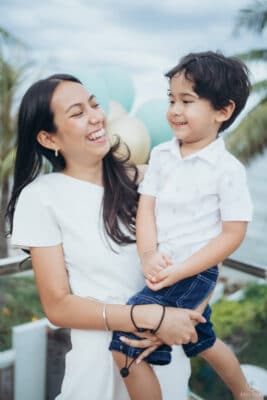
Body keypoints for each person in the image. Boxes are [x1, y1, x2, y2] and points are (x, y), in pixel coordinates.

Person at [6, 74, 206, 400]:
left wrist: (178, 318)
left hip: (165, 352)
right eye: (77, 112)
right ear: (48, 138)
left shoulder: (148, 180)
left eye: (95, 104)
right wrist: (146, 318)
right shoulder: (41, 197)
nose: (96, 116)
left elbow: (207, 248)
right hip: (100, 367)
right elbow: (58, 306)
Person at [110, 52, 263, 400]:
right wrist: (148, 254)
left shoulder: (227, 169)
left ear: (223, 111)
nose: (174, 109)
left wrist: (181, 272)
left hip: (191, 272)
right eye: (171, 99)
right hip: (163, 266)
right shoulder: (163, 154)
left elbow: (233, 234)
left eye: (187, 101)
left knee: (126, 341)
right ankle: (245, 393)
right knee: (202, 339)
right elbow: (146, 207)